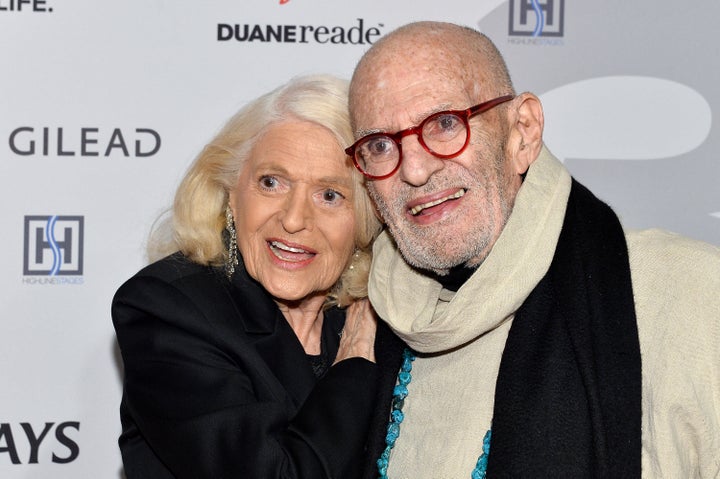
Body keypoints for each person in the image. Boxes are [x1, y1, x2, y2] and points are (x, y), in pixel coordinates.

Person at [345, 21, 720, 478]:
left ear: (522, 131)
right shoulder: (361, 329)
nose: (416, 171)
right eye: (380, 145)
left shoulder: (689, 292)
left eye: (446, 124)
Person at [112, 74, 387, 479]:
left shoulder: (386, 316)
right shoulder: (169, 310)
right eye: (271, 183)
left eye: (330, 195)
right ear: (231, 195)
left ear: (365, 218)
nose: (294, 219)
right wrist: (355, 366)